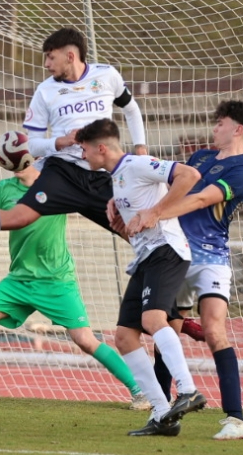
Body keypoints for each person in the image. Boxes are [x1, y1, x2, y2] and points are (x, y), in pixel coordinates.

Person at [0, 27, 146, 259]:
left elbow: (132, 110)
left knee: (133, 230)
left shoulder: (107, 75)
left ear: (70, 56)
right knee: (17, 216)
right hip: (63, 172)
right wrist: (59, 142)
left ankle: (171, 283)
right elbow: (31, 146)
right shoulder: (45, 92)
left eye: (51, 57)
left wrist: (141, 149)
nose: (46, 64)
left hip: (102, 172)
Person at [0, 138, 146, 404]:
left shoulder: (55, 183)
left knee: (85, 341)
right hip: (19, 279)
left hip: (56, 280)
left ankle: (139, 391)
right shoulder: (5, 189)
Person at [74, 118, 207, 437]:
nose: (82, 155)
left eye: (84, 149)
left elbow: (189, 175)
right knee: (124, 336)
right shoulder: (118, 179)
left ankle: (188, 390)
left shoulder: (136, 164)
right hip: (147, 257)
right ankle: (163, 415)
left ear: (101, 148)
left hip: (168, 250)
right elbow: (137, 216)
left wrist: (157, 212)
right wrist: (123, 219)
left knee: (152, 320)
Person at [145, 101, 243, 440]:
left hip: (210, 258)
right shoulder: (199, 159)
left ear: (237, 129)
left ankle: (237, 420)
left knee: (214, 330)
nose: (215, 128)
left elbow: (198, 200)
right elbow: (169, 186)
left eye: (221, 123)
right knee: (167, 329)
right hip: (176, 255)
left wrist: (157, 214)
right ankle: (163, 413)